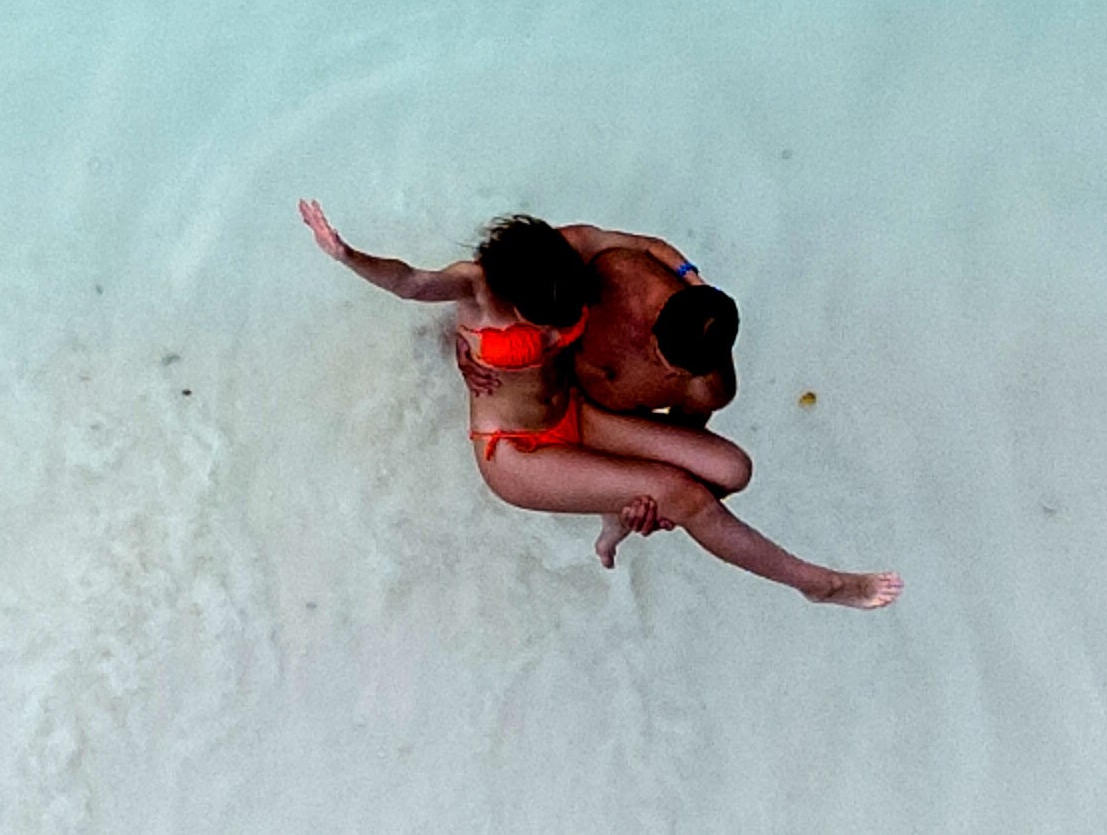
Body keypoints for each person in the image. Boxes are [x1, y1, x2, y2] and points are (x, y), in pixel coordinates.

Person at [303, 199, 899, 609]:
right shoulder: (476, 286)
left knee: (732, 470)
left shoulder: (570, 256)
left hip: (578, 416)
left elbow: (652, 247)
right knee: (686, 495)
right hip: (518, 451)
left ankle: (618, 518)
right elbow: (410, 281)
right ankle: (815, 583)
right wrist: (346, 253)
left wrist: (695, 288)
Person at [451, 223, 740, 427]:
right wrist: (465, 333)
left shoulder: (711, 391)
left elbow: (679, 437)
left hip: (596, 419)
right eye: (660, 355)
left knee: (727, 472)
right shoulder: (621, 272)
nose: (662, 371)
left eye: (675, 374)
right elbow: (506, 262)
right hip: (541, 382)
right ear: (657, 324)